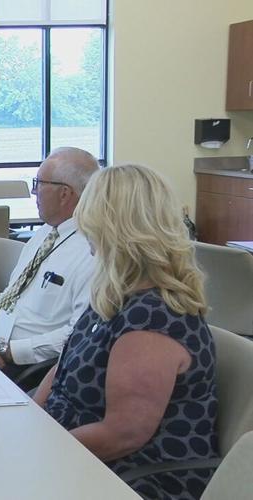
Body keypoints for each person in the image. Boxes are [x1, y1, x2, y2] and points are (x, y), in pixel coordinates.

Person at [34, 164, 218, 500]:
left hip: (134, 476)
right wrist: (31, 417)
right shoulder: (117, 292)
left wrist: (40, 449)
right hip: (77, 451)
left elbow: (123, 434)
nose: (83, 233)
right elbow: (64, 367)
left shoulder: (155, 318)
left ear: (113, 229)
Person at [0, 147, 99, 381]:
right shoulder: (44, 234)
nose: (33, 191)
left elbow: (77, 334)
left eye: (39, 183)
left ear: (64, 194)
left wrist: (11, 353)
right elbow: (11, 295)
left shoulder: (92, 252)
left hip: (24, 366)